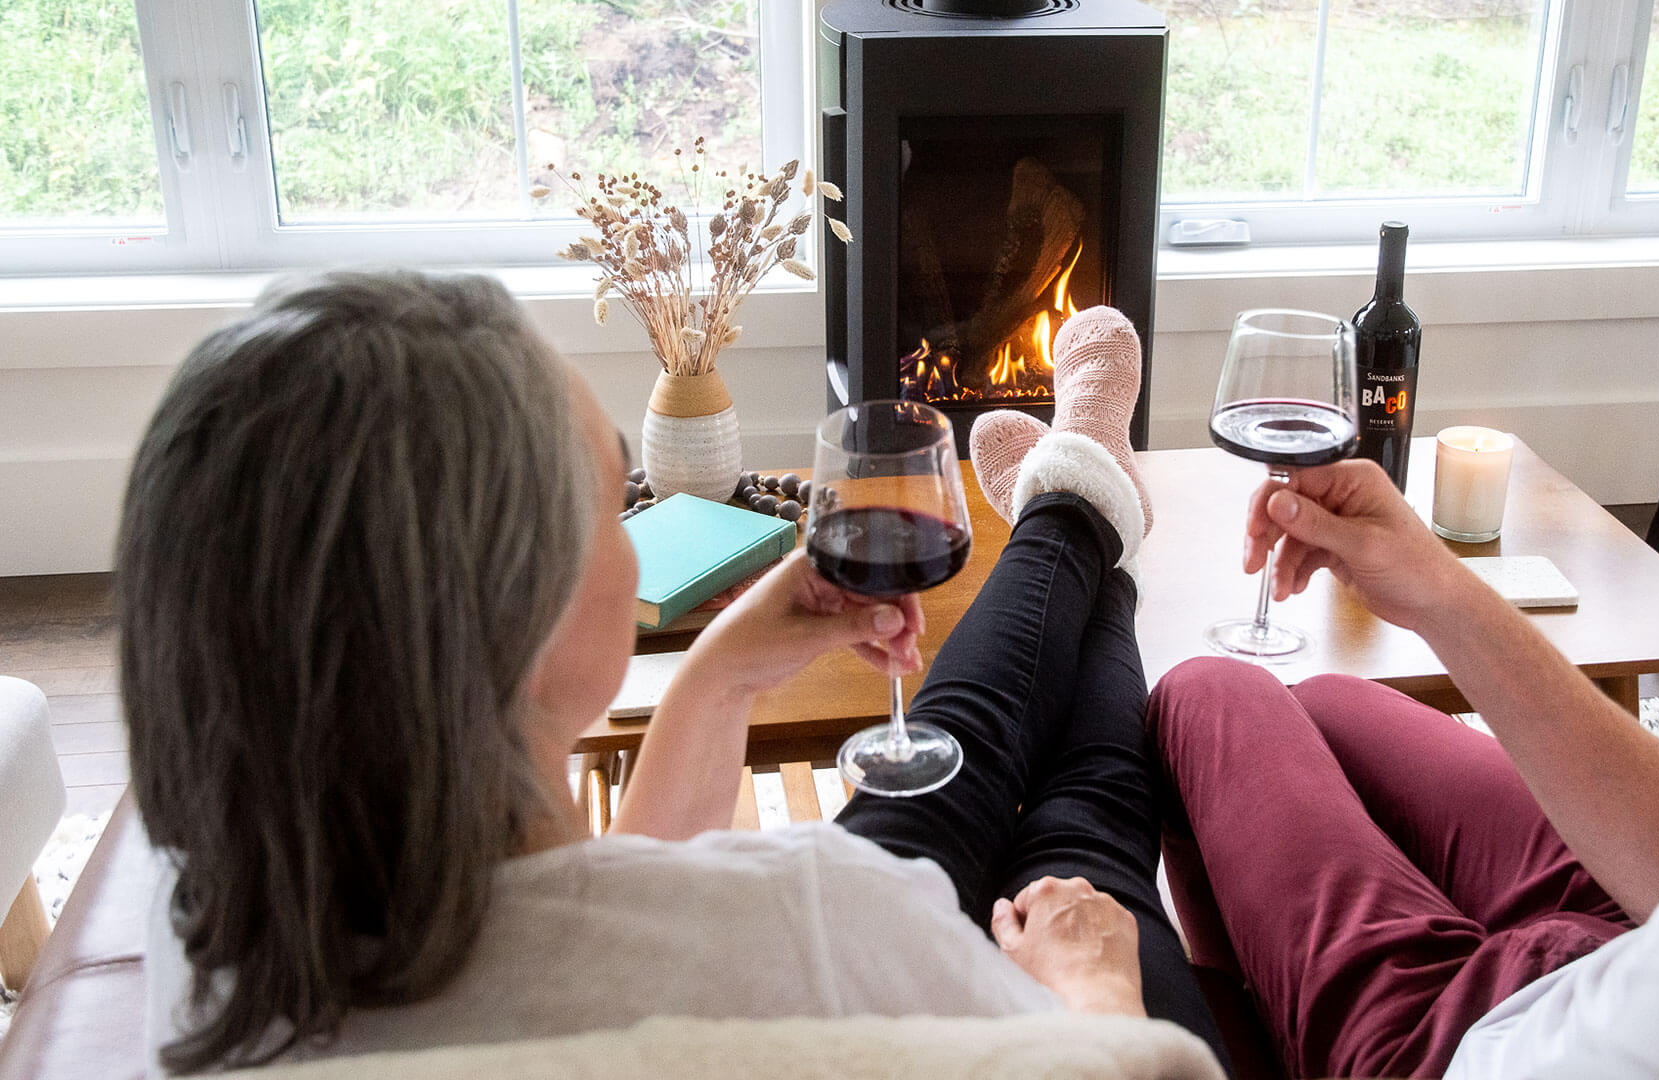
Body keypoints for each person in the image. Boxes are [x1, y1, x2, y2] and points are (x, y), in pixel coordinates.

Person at [120, 274, 1227, 1072]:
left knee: (956, 756)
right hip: (999, 980)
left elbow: (587, 944)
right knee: (1084, 827)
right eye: (615, 502)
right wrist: (1096, 995)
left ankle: (1080, 515)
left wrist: (716, 679)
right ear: (541, 626)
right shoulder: (814, 924)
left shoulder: (202, 943)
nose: (635, 524)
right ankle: (1081, 507)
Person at [1149, 141, 1659, 1078]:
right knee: (1327, 707)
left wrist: (1107, 996)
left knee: (1209, 694)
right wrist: (1435, 585)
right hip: (1619, 949)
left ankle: (1239, 1026)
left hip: (1444, 1050)